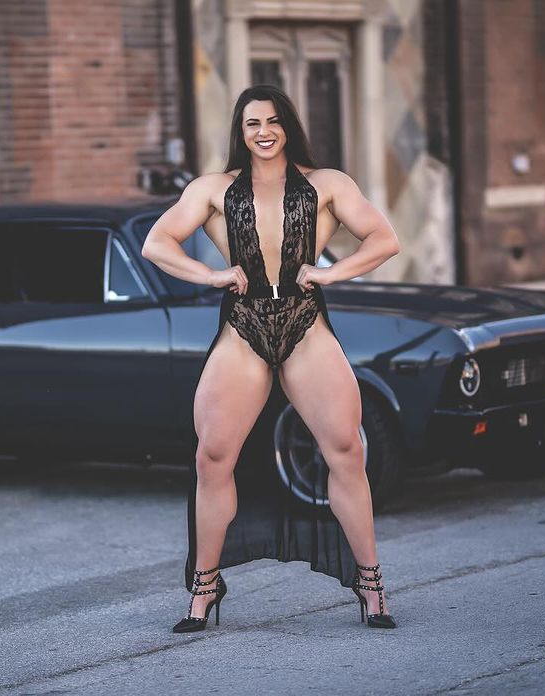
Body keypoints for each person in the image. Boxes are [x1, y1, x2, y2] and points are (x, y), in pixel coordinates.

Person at [141, 84, 401, 632]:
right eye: (252, 123)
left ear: (288, 126)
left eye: (273, 121)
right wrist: (211, 275)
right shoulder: (213, 189)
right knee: (213, 456)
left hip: (305, 323)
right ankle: (205, 588)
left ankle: (371, 583)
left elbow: (383, 239)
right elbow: (156, 244)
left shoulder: (328, 184)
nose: (264, 132)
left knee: (346, 450)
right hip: (244, 324)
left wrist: (331, 272)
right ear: (240, 132)